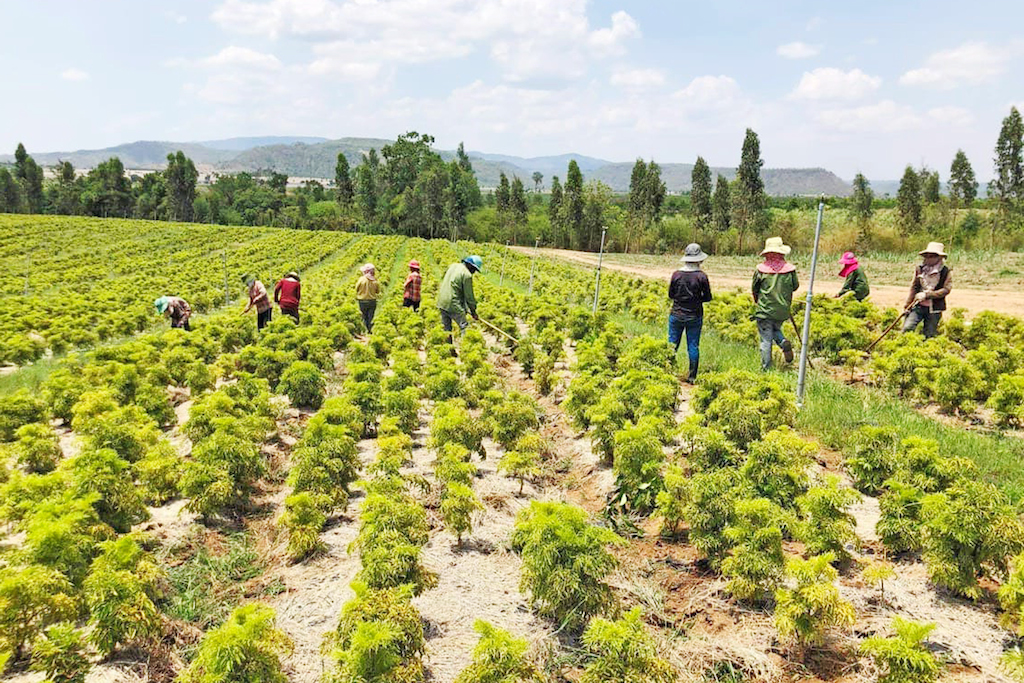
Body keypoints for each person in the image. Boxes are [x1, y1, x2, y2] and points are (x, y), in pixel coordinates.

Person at [752, 237, 799, 371]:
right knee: (775, 329)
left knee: (766, 340)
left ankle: (766, 369)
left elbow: (755, 288)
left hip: (765, 309)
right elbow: (795, 286)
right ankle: (783, 342)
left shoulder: (761, 270)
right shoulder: (789, 270)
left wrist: (757, 301)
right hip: (782, 310)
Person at [668, 243, 712, 383]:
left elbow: (671, 294)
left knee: (671, 345)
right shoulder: (701, 277)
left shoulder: (676, 275)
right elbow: (708, 297)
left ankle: (667, 372)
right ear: (699, 260)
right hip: (695, 316)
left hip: (676, 314)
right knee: (693, 346)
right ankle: (692, 377)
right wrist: (696, 299)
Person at [902, 242, 952, 339]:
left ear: (939, 258)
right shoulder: (920, 269)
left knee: (929, 334)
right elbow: (914, 287)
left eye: (932, 256)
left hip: (934, 308)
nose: (928, 258)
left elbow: (946, 290)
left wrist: (927, 295)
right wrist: (908, 304)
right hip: (918, 305)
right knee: (907, 328)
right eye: (927, 256)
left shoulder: (945, 271)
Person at [437, 255, 481, 343]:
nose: (474, 272)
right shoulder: (467, 275)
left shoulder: (453, 266)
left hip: (442, 301)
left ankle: (449, 350)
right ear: (470, 265)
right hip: (453, 303)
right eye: (474, 269)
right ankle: (467, 349)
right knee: (464, 327)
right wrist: (473, 311)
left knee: (447, 329)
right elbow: (469, 296)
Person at [355, 263, 380, 334]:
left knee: (364, 316)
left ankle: (365, 329)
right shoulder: (375, 281)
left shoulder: (361, 279)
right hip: (372, 301)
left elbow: (356, 289)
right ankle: (370, 329)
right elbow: (377, 291)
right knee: (370, 316)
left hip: (362, 301)